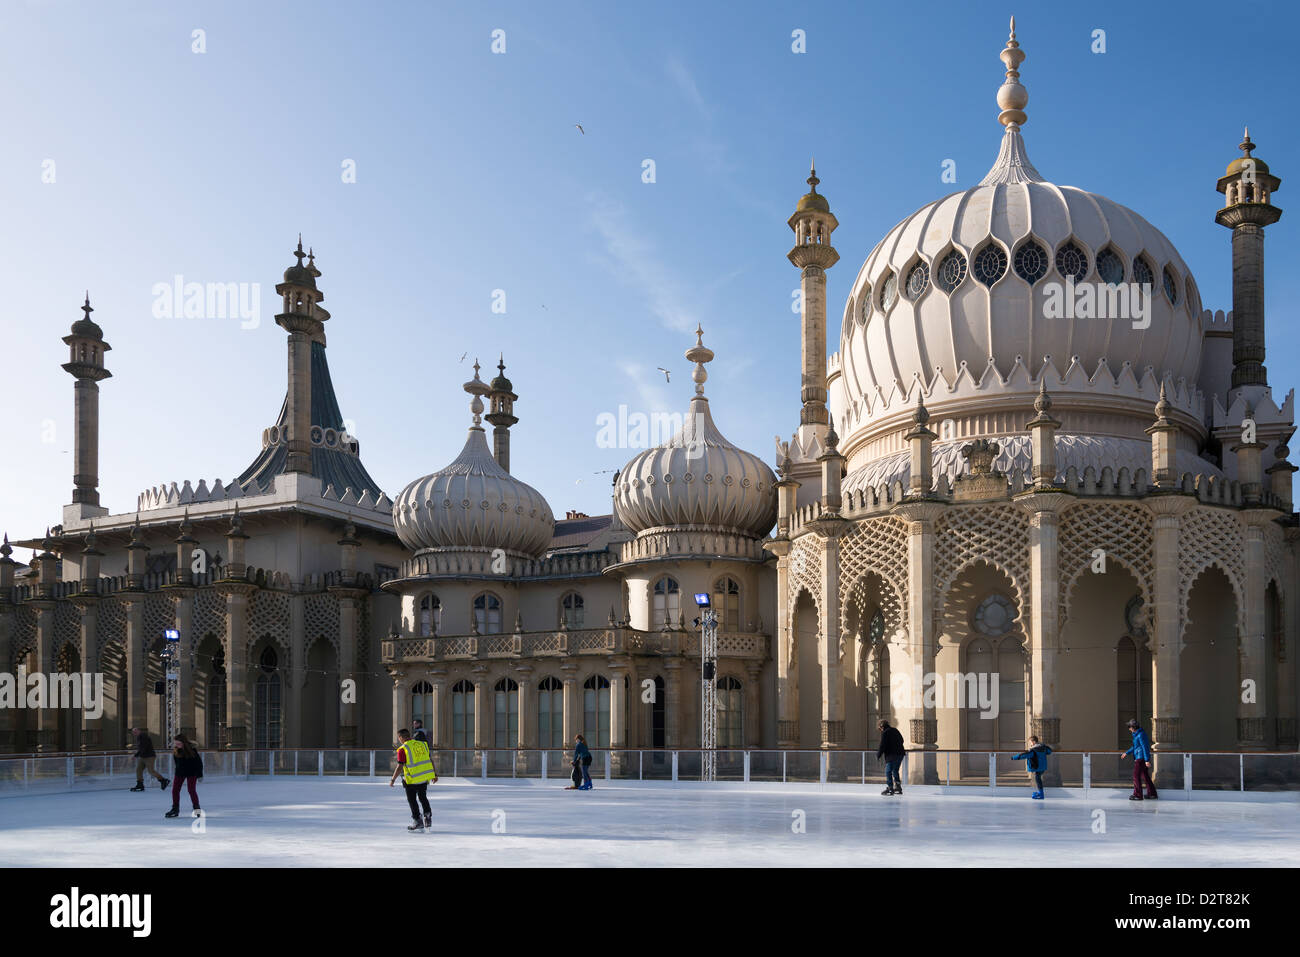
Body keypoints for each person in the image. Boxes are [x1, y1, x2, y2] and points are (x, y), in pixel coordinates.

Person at [389, 728, 437, 831]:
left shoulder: (403, 749)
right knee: (423, 798)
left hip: (411, 779)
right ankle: (427, 816)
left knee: (412, 800)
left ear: (401, 737)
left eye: (399, 738)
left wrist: (393, 779)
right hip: (423, 777)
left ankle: (417, 820)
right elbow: (430, 760)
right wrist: (434, 774)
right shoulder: (422, 744)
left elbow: (399, 767)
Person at [165, 734, 202, 818]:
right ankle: (175, 809)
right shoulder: (176, 751)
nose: (177, 745)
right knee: (175, 790)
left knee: (191, 790)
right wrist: (177, 771)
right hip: (180, 773)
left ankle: (197, 809)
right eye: (176, 744)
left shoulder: (192, 750)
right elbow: (177, 763)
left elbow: (199, 763)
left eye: (179, 744)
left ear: (184, 743)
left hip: (191, 772)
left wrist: (200, 774)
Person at [1121, 718, 1158, 801]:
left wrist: (1147, 760)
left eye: (1129, 727)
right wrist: (1127, 752)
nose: (1129, 729)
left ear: (1133, 727)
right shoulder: (1136, 734)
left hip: (1140, 758)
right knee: (1145, 776)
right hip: (1139, 757)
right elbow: (1135, 747)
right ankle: (1152, 793)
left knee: (1136, 776)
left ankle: (1138, 795)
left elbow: (1145, 747)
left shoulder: (1141, 734)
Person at [129, 727, 169, 793]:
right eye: (133, 732)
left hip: (149, 756)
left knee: (151, 771)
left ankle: (163, 780)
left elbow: (144, 747)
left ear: (139, 730)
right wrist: (138, 754)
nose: (134, 733)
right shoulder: (139, 737)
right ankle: (140, 784)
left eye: (136, 731)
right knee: (138, 770)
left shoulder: (144, 736)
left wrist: (136, 755)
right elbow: (141, 748)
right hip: (143, 756)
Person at [876, 719, 906, 795]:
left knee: (888, 771)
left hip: (892, 755)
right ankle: (898, 787)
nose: (880, 730)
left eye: (879, 728)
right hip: (900, 754)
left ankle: (890, 788)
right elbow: (902, 740)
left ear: (881, 726)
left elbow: (882, 745)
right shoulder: (895, 730)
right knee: (895, 770)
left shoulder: (885, 733)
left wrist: (878, 755)